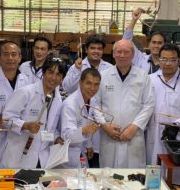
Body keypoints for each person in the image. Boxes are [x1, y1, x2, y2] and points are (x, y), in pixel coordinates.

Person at [94, 39, 154, 168]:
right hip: (109, 135)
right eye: (119, 52)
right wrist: (104, 125)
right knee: (108, 175)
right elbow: (95, 104)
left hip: (134, 136)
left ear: (133, 55)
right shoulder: (103, 76)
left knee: (133, 176)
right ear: (113, 54)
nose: (122, 55)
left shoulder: (142, 76)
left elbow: (149, 104)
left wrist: (134, 127)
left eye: (126, 52)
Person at [0, 56, 66, 169]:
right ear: (43, 73)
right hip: (18, 155)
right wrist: (25, 125)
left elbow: (49, 128)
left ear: (62, 79)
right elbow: (5, 119)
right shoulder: (26, 92)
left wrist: (56, 138)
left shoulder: (58, 99)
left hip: (42, 158)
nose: (53, 78)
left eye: (58, 74)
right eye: (50, 72)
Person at [62, 35, 112, 167]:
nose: (96, 51)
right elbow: (66, 87)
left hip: (97, 124)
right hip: (79, 123)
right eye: (92, 48)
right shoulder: (78, 66)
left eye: (99, 48)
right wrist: (76, 70)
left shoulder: (110, 68)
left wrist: (89, 142)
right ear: (86, 50)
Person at [60, 68, 102, 168]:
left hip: (81, 151)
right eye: (89, 83)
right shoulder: (70, 104)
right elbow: (66, 135)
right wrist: (84, 130)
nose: (92, 88)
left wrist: (88, 145)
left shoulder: (91, 101)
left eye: (96, 84)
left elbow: (86, 123)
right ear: (80, 83)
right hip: (67, 155)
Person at [122, 8, 166, 74]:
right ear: (149, 44)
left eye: (159, 43)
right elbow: (126, 42)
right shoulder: (140, 58)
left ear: (164, 45)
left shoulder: (168, 63)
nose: (156, 46)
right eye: (154, 42)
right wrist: (134, 20)